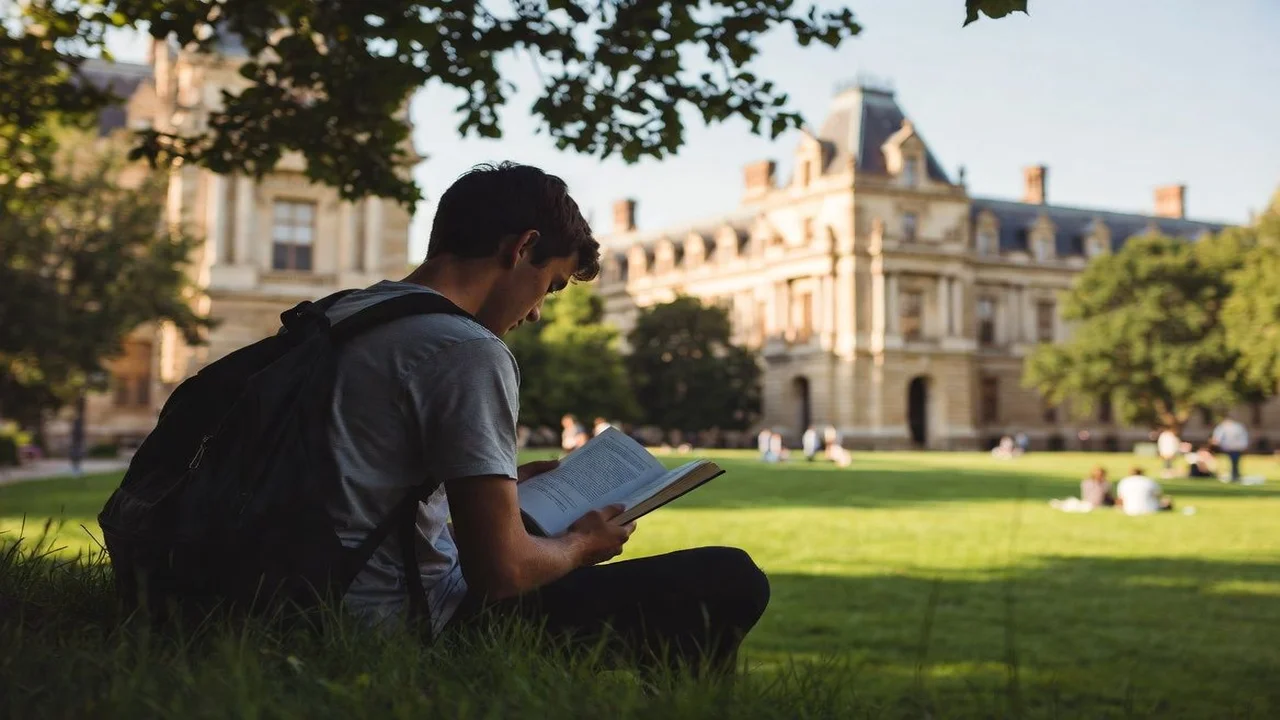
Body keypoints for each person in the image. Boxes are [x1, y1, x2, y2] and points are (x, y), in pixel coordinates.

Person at [324, 163, 768, 675]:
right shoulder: (465, 349)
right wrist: (582, 544)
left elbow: (361, 491)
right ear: (521, 248)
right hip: (401, 618)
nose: (536, 312)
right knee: (728, 577)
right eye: (551, 284)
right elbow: (502, 573)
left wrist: (498, 487)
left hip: (309, 594)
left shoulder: (342, 316)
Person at [1211, 415, 1250, 482]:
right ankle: (1235, 475)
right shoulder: (1237, 426)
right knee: (1234, 461)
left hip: (1233, 447)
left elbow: (1217, 437)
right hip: (1234, 447)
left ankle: (1235, 475)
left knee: (1234, 461)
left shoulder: (1226, 427)